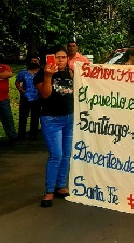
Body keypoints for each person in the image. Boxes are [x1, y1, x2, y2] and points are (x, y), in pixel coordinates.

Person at [34, 46, 75, 208]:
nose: (60, 60)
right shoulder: (41, 74)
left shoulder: (71, 73)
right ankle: (49, 190)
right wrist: (48, 76)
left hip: (69, 118)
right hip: (51, 120)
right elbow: (45, 94)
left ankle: (60, 186)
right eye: (57, 57)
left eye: (63, 57)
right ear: (49, 58)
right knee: (56, 155)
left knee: (66, 154)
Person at [15, 56, 42, 140]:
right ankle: (21, 135)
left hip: (38, 97)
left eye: (36, 61)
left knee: (35, 117)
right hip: (25, 97)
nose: (34, 62)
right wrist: (20, 89)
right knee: (23, 117)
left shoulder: (41, 73)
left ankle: (33, 135)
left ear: (39, 63)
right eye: (32, 61)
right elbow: (17, 82)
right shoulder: (24, 73)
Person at [0, 62, 18, 143]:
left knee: (7, 119)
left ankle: (13, 137)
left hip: (3, 99)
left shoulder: (4, 66)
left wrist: (4, 75)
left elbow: (9, 74)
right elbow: (4, 75)